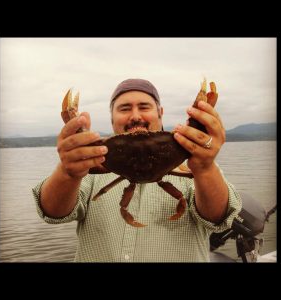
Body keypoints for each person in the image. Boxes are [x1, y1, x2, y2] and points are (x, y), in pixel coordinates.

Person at [32, 78, 242, 262]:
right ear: (112, 118)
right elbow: (53, 212)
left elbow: (219, 218)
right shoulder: (89, 166)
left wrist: (205, 170)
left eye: (144, 107)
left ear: (160, 113)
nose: (135, 116)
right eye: (124, 109)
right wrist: (68, 173)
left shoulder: (196, 166)